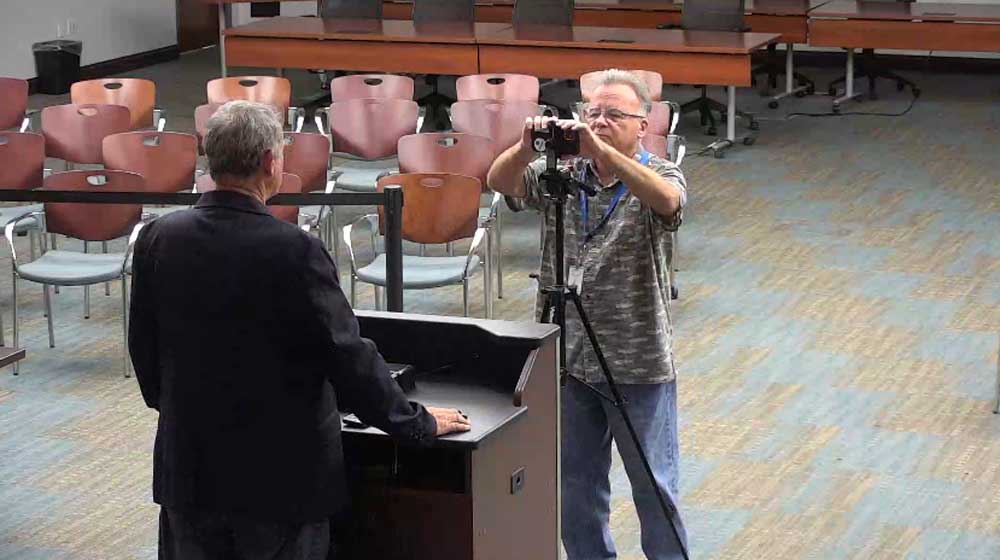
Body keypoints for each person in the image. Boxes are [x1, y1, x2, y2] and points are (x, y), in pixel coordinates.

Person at [128, 101, 471, 560]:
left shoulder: (159, 237)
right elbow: (347, 356)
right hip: (278, 486)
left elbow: (144, 353)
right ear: (272, 163)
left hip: (188, 474)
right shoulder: (294, 250)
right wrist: (415, 423)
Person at [487, 69, 688, 559]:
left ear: (644, 124)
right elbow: (499, 181)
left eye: (614, 114)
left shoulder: (660, 172)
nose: (599, 122)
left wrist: (607, 156)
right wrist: (524, 147)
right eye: (592, 113)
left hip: (636, 360)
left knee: (653, 486)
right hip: (567, 354)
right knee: (576, 488)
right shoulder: (563, 176)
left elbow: (668, 203)